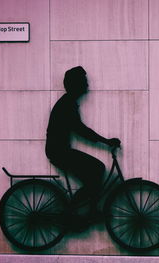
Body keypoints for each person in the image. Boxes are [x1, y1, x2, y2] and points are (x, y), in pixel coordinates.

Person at [45, 66, 120, 220]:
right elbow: (81, 129)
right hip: (58, 151)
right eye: (84, 82)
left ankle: (84, 210)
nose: (87, 85)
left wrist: (105, 141)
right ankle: (72, 212)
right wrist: (106, 141)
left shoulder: (68, 102)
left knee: (93, 176)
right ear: (75, 84)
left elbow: (79, 129)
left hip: (59, 150)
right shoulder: (67, 104)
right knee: (98, 169)